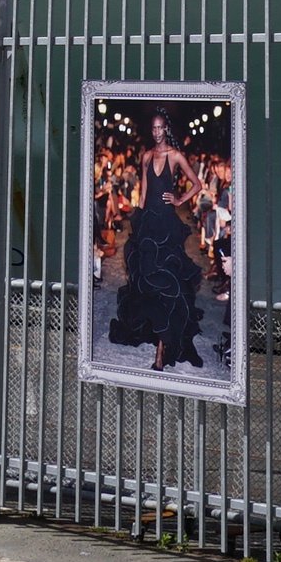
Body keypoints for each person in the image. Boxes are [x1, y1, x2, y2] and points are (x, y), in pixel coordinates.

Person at [107, 110, 211, 372]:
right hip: (149, 223)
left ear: (166, 129)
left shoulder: (175, 156)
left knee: (168, 283)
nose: (156, 132)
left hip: (166, 224)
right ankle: (157, 338)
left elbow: (197, 184)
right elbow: (143, 192)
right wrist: (137, 221)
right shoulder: (145, 156)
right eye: (153, 128)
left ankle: (161, 353)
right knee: (147, 283)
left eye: (160, 128)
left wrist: (178, 200)